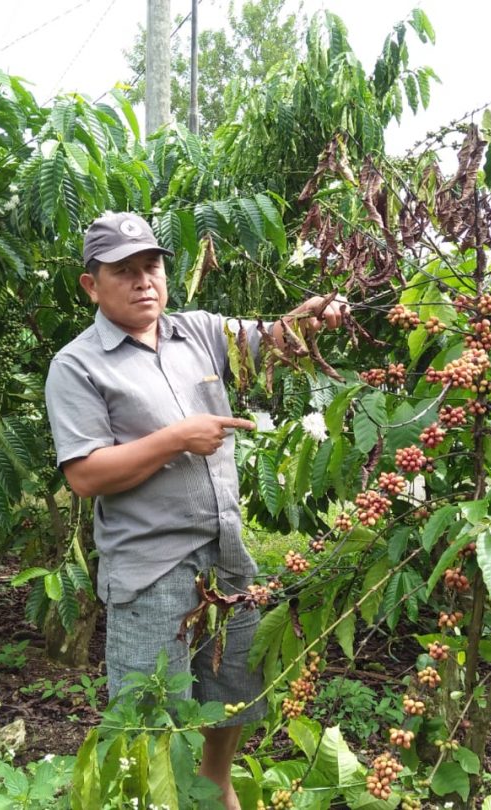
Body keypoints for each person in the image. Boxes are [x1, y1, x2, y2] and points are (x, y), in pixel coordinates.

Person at [44, 211, 341, 809]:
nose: (142, 281)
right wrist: (177, 438)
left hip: (225, 555)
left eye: (150, 266)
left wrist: (311, 317)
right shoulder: (77, 366)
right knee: (153, 717)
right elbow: (84, 475)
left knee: (231, 686)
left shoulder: (200, 332)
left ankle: (216, 783)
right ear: (91, 285)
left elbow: (273, 338)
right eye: (121, 271)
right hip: (152, 567)